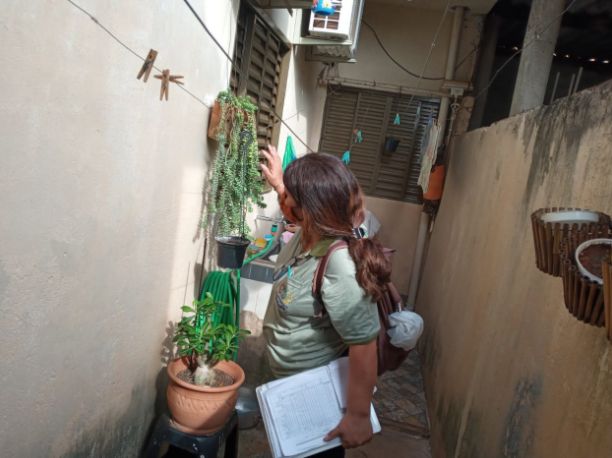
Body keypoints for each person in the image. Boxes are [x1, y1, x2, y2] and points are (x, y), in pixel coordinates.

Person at [260, 146, 392, 456]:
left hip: (315, 406)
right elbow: (290, 207)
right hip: (285, 394)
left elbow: (363, 343)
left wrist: (358, 416)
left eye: (289, 196)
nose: (283, 201)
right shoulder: (306, 238)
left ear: (311, 208)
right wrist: (281, 184)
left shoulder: (339, 265)